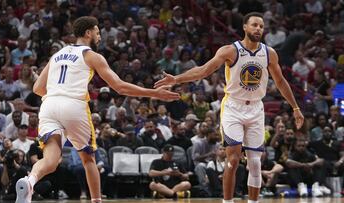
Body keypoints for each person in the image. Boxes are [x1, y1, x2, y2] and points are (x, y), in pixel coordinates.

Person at [15, 16, 180, 203]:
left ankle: (29, 182)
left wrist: (57, 91)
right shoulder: (91, 55)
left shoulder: (57, 55)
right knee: (88, 159)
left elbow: (37, 88)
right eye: (97, 32)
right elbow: (120, 87)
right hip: (73, 105)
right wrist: (154, 93)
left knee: (50, 161)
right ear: (88, 33)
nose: (99, 36)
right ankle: (96, 201)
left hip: (49, 105)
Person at [155, 12, 304, 203]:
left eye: (261, 26)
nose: (258, 29)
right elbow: (204, 70)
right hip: (233, 106)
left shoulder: (269, 53)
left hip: (256, 108)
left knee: (256, 163)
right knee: (233, 160)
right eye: (254, 25)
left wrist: (296, 108)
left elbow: (281, 82)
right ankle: (227, 201)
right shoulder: (230, 51)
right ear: (244, 27)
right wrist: (176, 79)